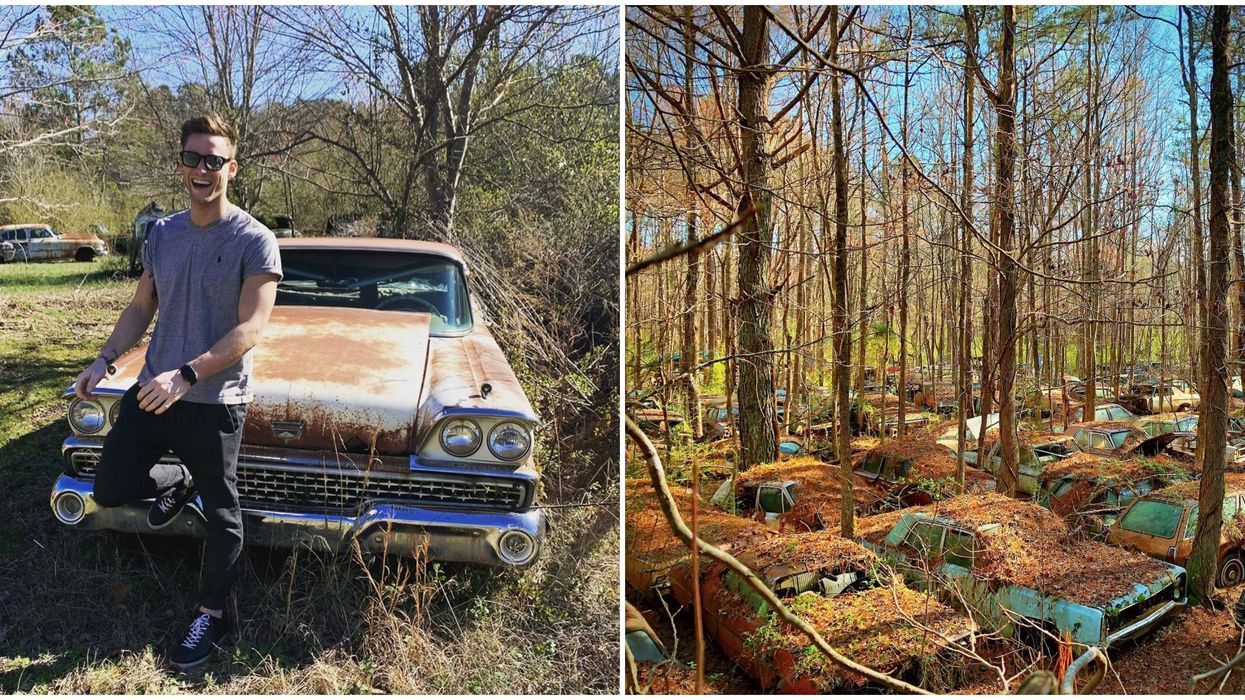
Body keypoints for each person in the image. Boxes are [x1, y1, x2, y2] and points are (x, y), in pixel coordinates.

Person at [73, 113, 282, 670]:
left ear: (231, 169)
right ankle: (178, 480)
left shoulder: (254, 240)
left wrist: (187, 374)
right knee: (110, 487)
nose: (202, 169)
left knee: (223, 513)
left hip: (213, 401)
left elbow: (251, 328)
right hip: (152, 391)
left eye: (214, 160)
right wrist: (103, 360)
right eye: (193, 158)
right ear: (182, 164)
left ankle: (212, 615)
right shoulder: (162, 234)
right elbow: (141, 306)